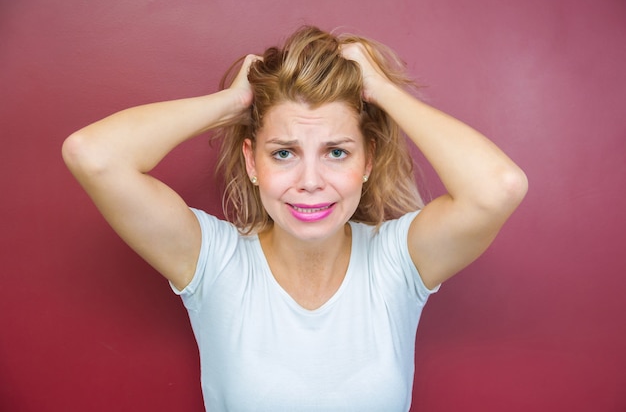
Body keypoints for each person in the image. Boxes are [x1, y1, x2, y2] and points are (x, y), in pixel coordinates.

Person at [63, 25, 527, 411]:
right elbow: (94, 155)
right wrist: (232, 103)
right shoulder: (214, 263)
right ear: (251, 162)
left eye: (337, 152)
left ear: (367, 163)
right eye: (284, 152)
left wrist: (382, 92)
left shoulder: (398, 261)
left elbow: (498, 188)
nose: (310, 180)